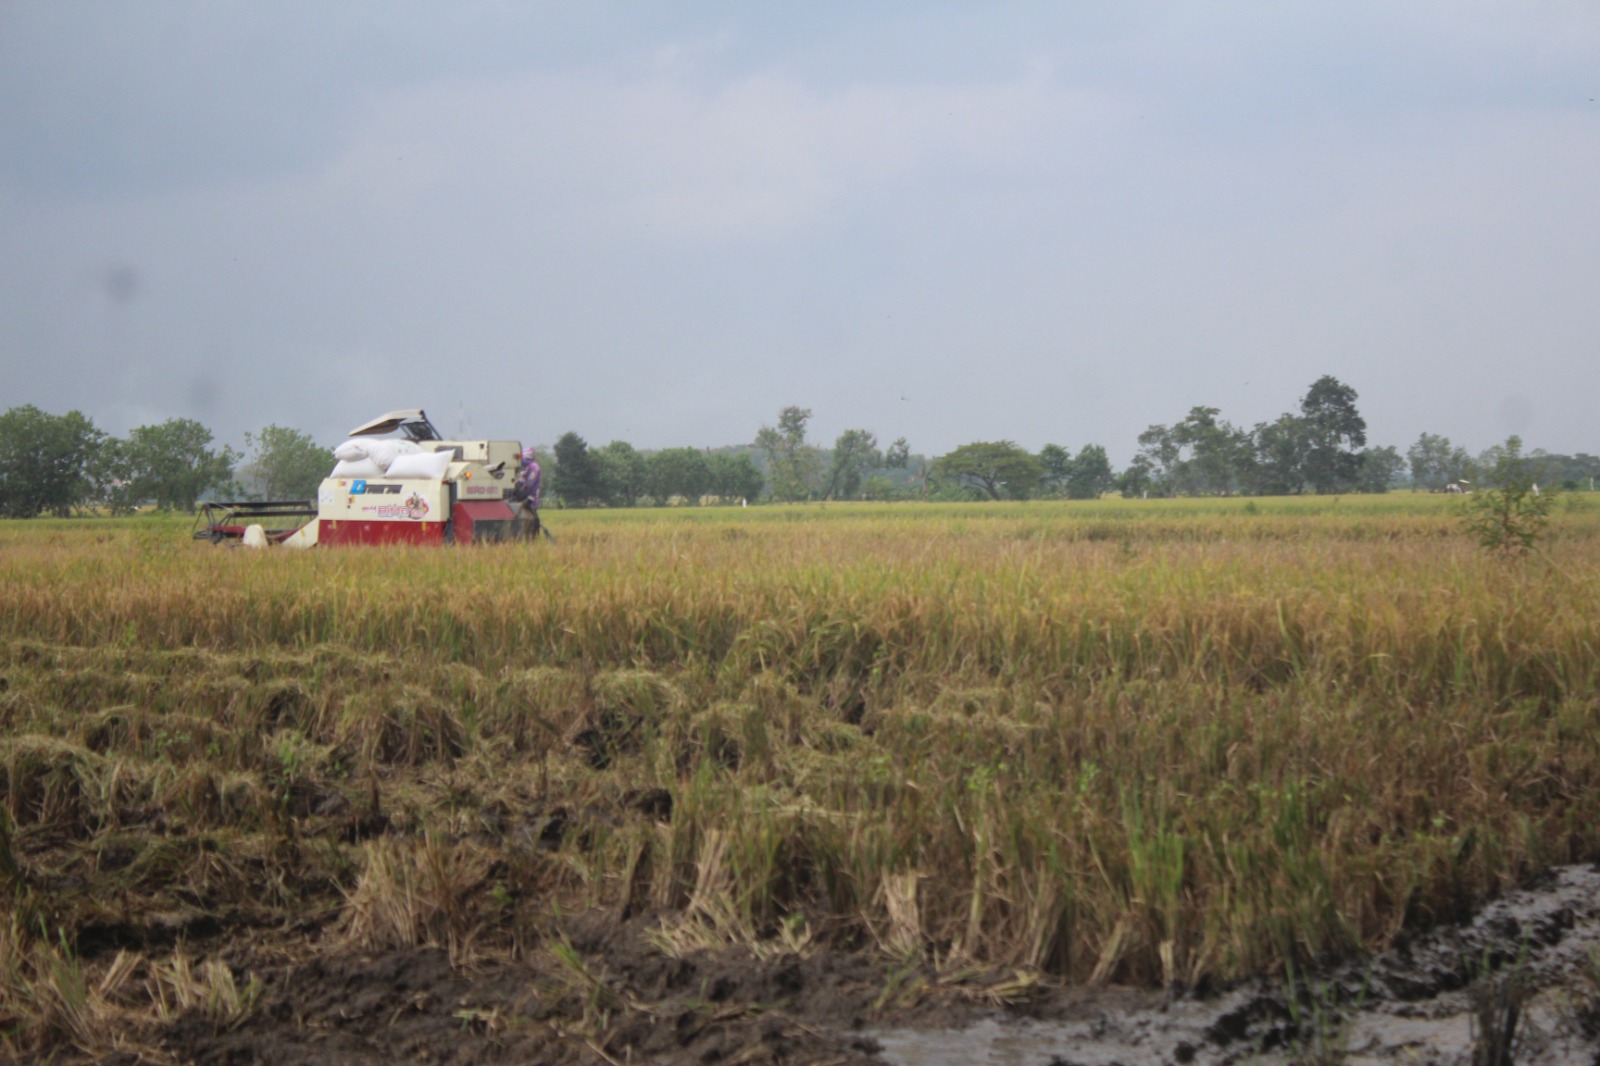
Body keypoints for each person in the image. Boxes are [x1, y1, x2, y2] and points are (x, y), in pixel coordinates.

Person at [512, 445, 542, 537]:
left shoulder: (534, 467)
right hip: (522, 498)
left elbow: (529, 485)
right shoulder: (523, 468)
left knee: (530, 524)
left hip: (529, 500)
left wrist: (520, 492)